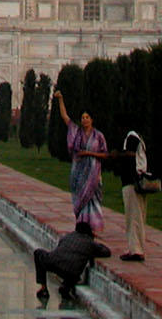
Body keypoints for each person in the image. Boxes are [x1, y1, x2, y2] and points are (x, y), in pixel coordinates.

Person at [55, 89, 107, 230]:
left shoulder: (98, 136)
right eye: (83, 117)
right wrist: (60, 99)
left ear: (92, 119)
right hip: (78, 172)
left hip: (94, 173)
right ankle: (81, 226)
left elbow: (105, 154)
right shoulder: (76, 132)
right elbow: (65, 117)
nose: (85, 120)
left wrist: (89, 154)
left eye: (87, 117)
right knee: (80, 199)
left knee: (93, 199)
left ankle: (93, 226)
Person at [31, 219, 110, 304]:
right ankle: (66, 287)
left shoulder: (67, 237)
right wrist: (97, 244)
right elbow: (106, 252)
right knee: (72, 271)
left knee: (38, 253)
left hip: (53, 262)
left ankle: (43, 288)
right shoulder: (91, 243)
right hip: (71, 273)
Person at [104, 130, 148, 261]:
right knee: (138, 216)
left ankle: (136, 250)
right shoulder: (138, 137)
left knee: (133, 217)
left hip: (131, 183)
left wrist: (117, 155)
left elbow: (131, 155)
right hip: (138, 182)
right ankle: (137, 248)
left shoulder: (131, 137)